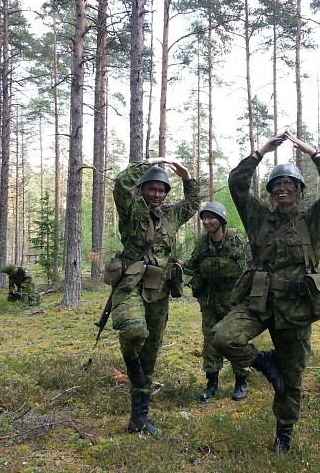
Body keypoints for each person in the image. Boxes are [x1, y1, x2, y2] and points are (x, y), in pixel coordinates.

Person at [212, 130, 320, 453]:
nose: (283, 188)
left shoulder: (313, 220)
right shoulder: (258, 218)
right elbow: (237, 185)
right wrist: (260, 152)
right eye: (277, 185)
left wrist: (312, 153)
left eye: (289, 184)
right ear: (271, 193)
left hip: (296, 309)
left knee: (292, 378)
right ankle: (263, 363)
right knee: (223, 337)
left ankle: (283, 438)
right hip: (260, 303)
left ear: (299, 191)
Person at [110, 157, 199, 435]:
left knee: (150, 353)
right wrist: (151, 161)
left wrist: (186, 177)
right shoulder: (132, 210)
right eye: (152, 189)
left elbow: (194, 202)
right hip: (131, 285)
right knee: (135, 331)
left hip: (159, 290)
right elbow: (120, 183)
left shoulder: (171, 216)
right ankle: (130, 365)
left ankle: (139, 417)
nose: (158, 194)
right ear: (143, 190)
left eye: (162, 190)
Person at [186, 201, 251, 402]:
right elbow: (193, 266)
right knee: (210, 341)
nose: (207, 222)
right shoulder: (202, 243)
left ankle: (241, 381)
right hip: (209, 300)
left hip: (233, 299)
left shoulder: (236, 241)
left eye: (211, 218)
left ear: (221, 220)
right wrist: (194, 282)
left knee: (235, 339)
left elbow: (249, 268)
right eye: (204, 218)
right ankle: (212, 383)